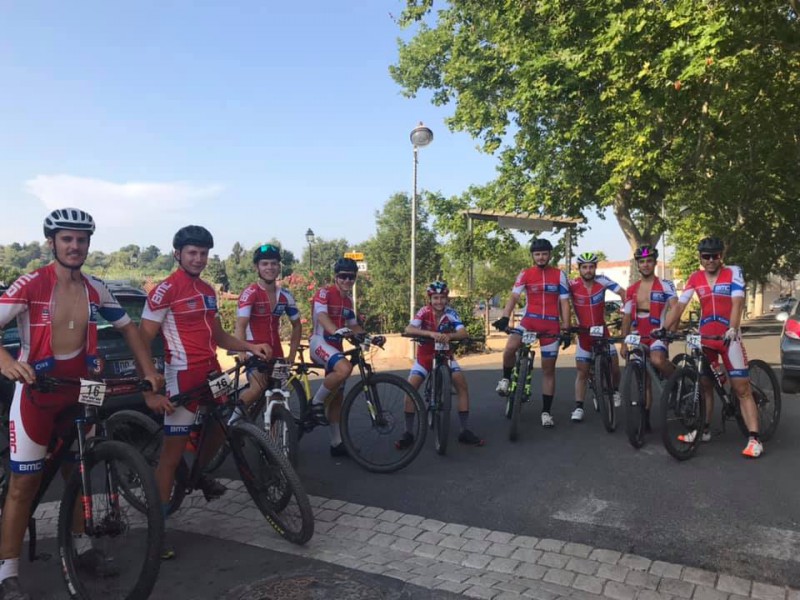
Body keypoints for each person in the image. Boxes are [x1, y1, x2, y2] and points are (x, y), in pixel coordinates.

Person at [0, 208, 165, 600]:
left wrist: (149, 372)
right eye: (67, 239)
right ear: (52, 242)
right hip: (38, 392)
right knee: (25, 483)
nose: (75, 246)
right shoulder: (32, 284)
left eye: (82, 240)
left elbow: (128, 329)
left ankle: (82, 547)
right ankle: (7, 572)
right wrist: (7, 362)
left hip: (83, 388)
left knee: (81, 470)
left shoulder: (96, 289)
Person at [139, 225, 271, 559]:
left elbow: (219, 336)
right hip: (181, 376)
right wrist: (149, 381)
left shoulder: (208, 290)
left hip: (212, 372)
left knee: (223, 426)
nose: (198, 258)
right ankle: (158, 531)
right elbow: (143, 338)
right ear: (178, 254)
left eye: (203, 253)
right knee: (171, 454)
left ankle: (197, 475)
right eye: (192, 253)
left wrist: (250, 346)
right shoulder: (164, 290)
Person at [663, 237, 762, 458]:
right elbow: (680, 305)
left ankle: (754, 438)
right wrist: (664, 329)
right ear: (700, 257)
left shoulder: (733, 272)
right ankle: (704, 430)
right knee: (705, 385)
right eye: (706, 256)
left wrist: (733, 328)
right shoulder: (695, 277)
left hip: (728, 337)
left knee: (741, 389)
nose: (710, 260)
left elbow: (737, 302)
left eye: (715, 256)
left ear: (721, 257)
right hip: (706, 336)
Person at [492, 238, 571, 428]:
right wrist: (504, 317)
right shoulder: (525, 274)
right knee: (510, 347)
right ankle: (505, 378)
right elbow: (514, 296)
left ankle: (546, 412)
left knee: (548, 370)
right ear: (533, 256)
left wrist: (567, 328)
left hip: (551, 325)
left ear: (550, 255)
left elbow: (564, 303)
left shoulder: (559, 275)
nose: (541, 257)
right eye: (537, 254)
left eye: (544, 253)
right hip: (529, 321)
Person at [397, 281, 484, 448]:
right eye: (435, 298)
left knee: (461, 384)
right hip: (425, 358)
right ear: (430, 299)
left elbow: (463, 332)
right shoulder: (424, 311)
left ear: (447, 299)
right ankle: (408, 432)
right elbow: (409, 329)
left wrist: (449, 336)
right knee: (410, 388)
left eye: (442, 298)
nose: (439, 302)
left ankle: (464, 430)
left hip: (445, 357)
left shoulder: (451, 313)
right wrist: (430, 333)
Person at [307, 257, 371, 457]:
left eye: (351, 277)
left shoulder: (348, 301)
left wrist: (368, 337)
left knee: (337, 398)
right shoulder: (324, 293)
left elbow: (353, 326)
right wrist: (335, 330)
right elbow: (322, 316)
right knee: (344, 369)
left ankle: (336, 443)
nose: (347, 280)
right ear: (335, 277)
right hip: (320, 343)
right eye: (343, 276)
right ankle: (315, 404)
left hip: (335, 348)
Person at [232, 244, 302, 417]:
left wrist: (292, 355)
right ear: (257, 267)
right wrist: (243, 350)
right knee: (257, 388)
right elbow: (240, 325)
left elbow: (297, 325)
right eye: (264, 264)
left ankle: (275, 437)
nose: (269, 267)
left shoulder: (285, 296)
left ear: (279, 266)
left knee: (279, 392)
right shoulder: (250, 293)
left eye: (273, 263)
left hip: (276, 351)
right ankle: (230, 424)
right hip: (253, 349)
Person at [620, 244, 677, 431]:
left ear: (654, 263)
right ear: (637, 264)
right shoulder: (631, 289)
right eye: (642, 261)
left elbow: (675, 309)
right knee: (643, 378)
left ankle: (676, 379)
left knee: (657, 360)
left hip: (658, 331)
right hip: (638, 333)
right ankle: (645, 418)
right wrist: (623, 341)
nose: (645, 265)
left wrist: (670, 331)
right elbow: (627, 316)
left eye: (649, 261)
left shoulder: (666, 285)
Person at [568, 252, 626, 422]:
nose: (588, 270)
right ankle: (578, 407)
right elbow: (560, 300)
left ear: (595, 268)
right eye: (584, 267)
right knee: (582, 372)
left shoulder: (603, 280)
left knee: (615, 367)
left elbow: (623, 292)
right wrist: (566, 321)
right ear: (579, 269)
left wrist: (624, 311)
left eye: (591, 267)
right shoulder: (572, 284)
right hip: (583, 334)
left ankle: (614, 391)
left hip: (602, 332)